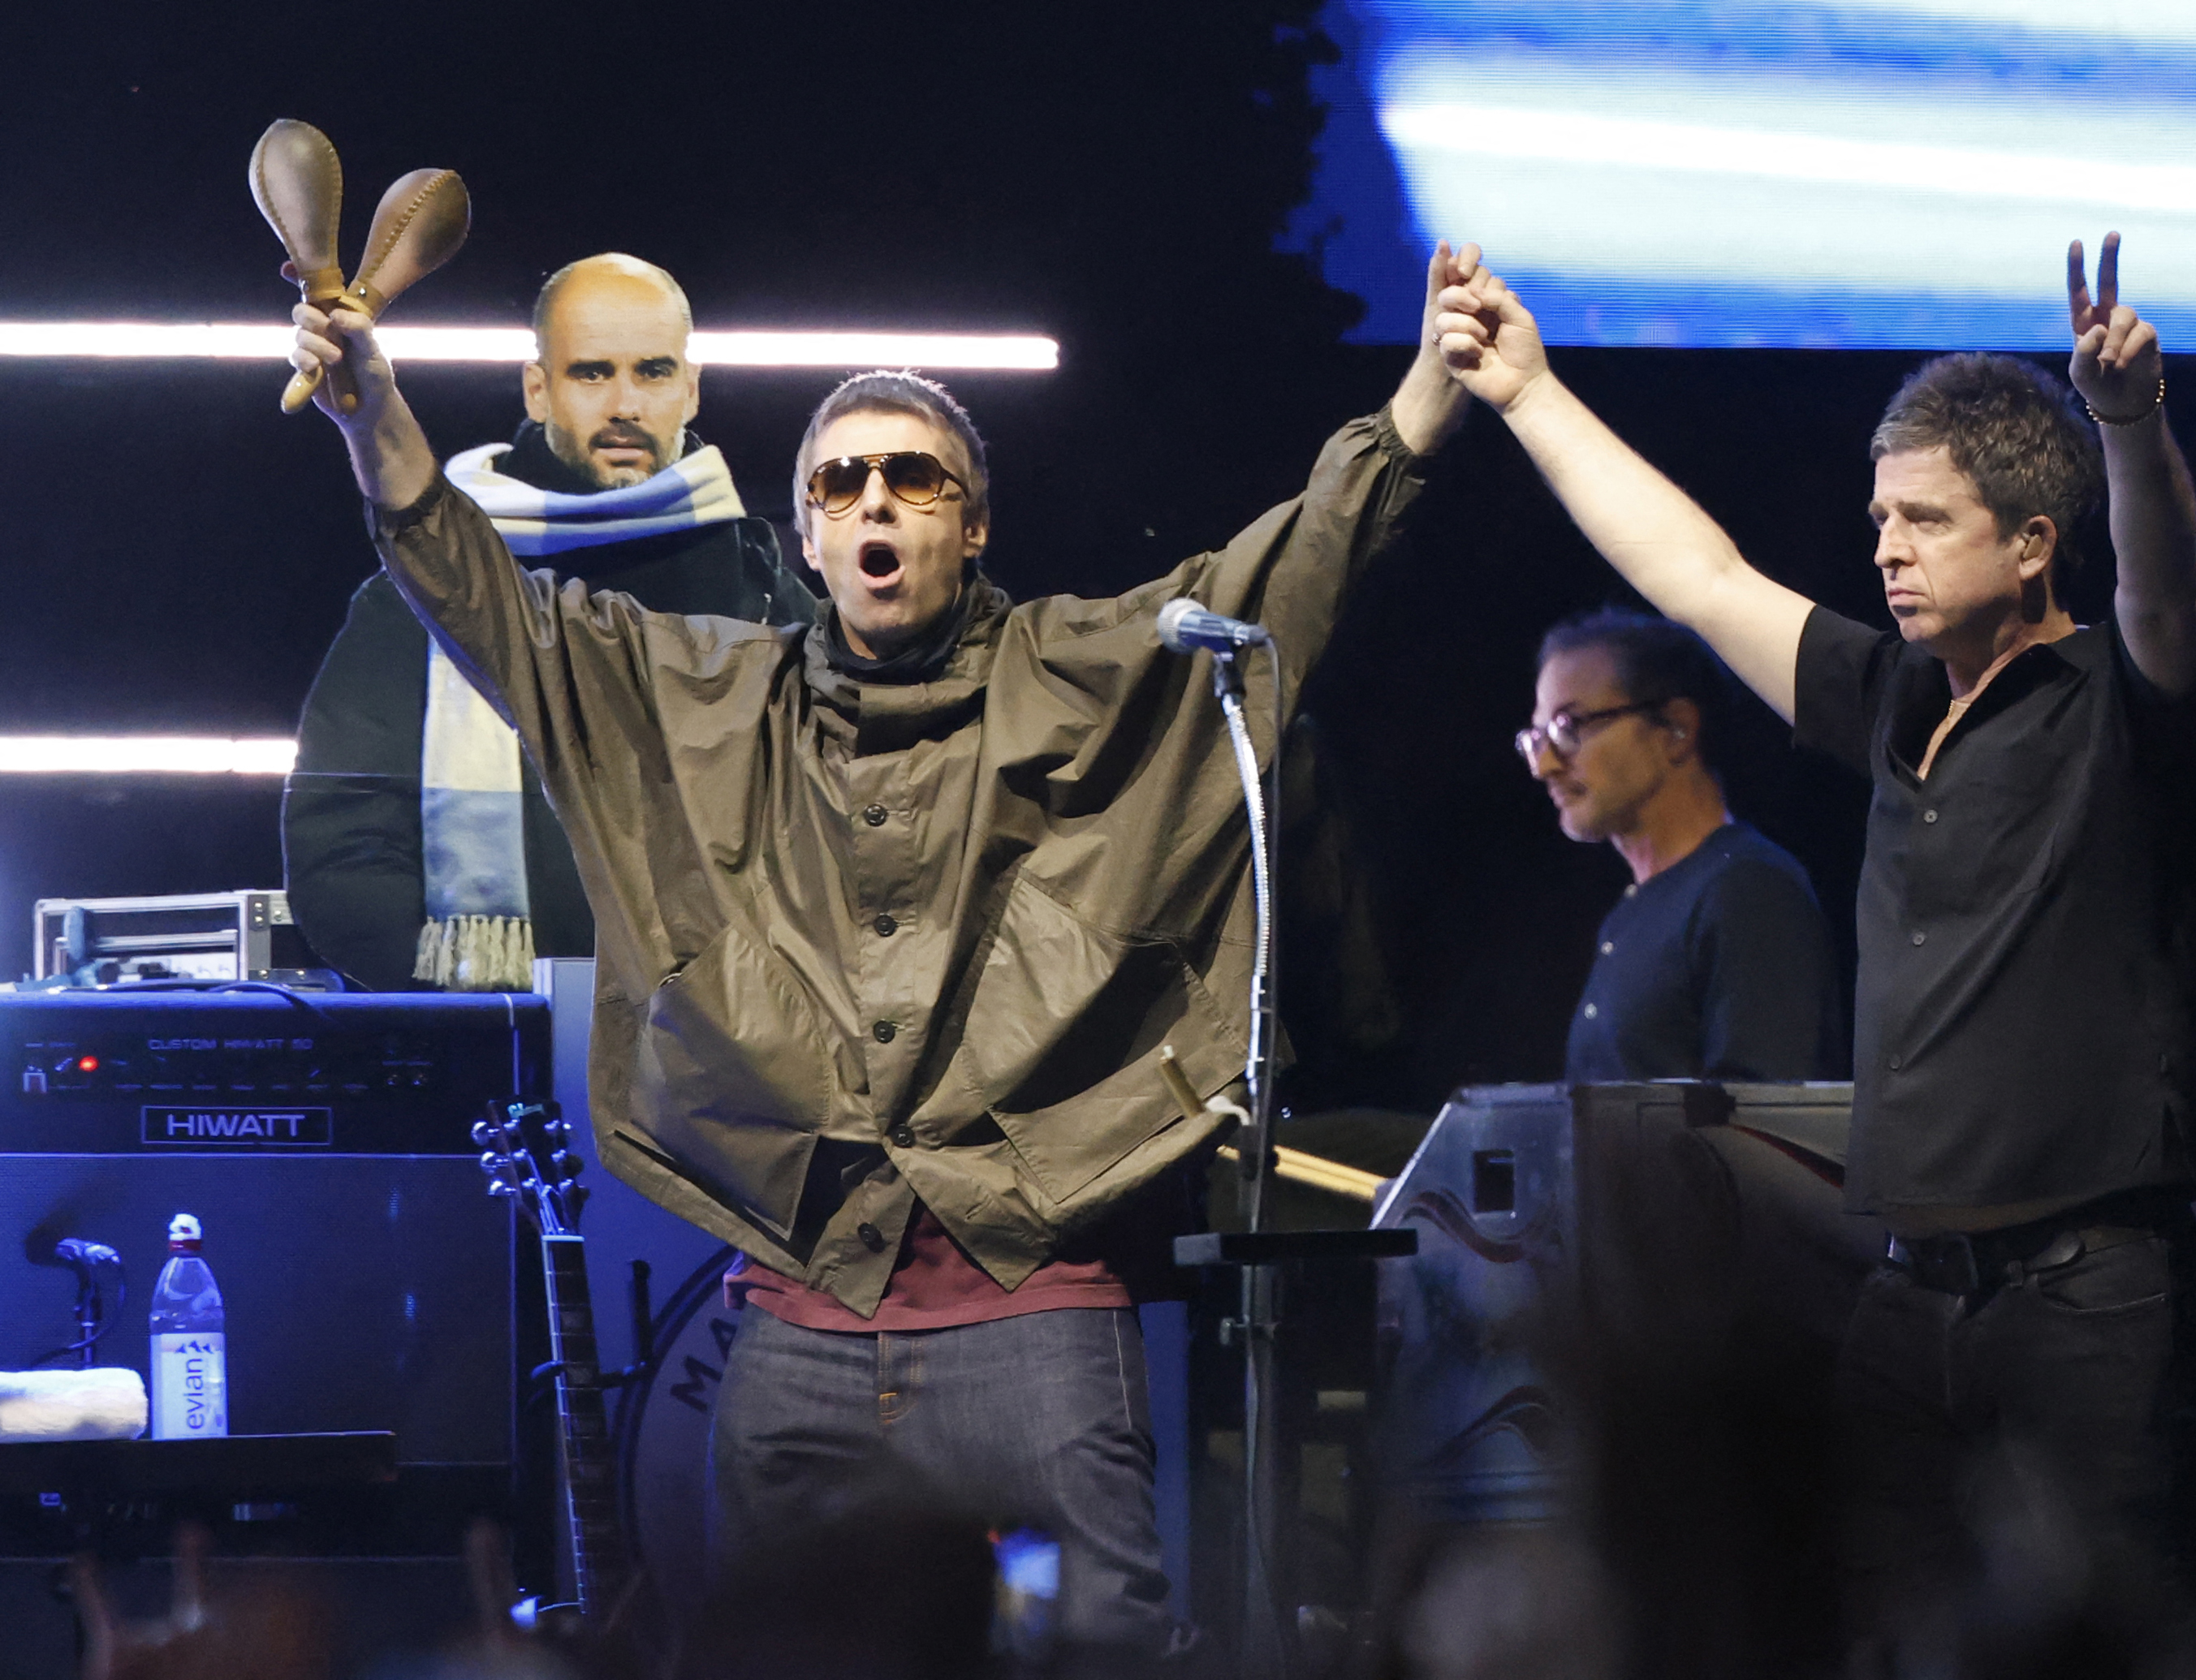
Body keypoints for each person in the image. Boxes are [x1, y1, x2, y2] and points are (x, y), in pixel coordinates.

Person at [288, 243, 1478, 1657]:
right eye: (841, 483)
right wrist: (372, 415)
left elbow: (1288, 573)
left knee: (1105, 1644)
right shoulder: (716, 699)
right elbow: (488, 605)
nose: (875, 505)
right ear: (802, 536)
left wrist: (1419, 397)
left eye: (912, 480)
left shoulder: (1084, 671)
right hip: (799, 1319)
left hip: (1036, 1309)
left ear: (969, 526)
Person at [1432, 235, 2196, 1643]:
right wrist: (1529, 393)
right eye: (1878, 516)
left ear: (2030, 543)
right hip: (1906, 1296)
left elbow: (2164, 590)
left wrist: (2125, 421)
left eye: (1923, 520)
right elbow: (1696, 573)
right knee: (1857, 1633)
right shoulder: (1884, 696)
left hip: (2092, 1298)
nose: (1883, 547)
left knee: (2116, 1637)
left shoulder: (2122, 708)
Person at [284, 252, 818, 992]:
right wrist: (472, 1008)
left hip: (720, 1053)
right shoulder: (423, 586)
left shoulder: (760, 591)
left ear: (690, 392)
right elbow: (341, 841)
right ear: (538, 389)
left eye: (654, 372)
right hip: (497, 1057)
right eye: (592, 373)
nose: (625, 403)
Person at [1522, 605, 1843, 1083]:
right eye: (1537, 737)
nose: (1543, 765)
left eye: (1569, 728)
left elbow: (1763, 1127)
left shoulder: (1747, 889)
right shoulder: (1631, 912)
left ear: (1677, 730)